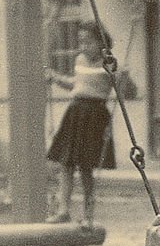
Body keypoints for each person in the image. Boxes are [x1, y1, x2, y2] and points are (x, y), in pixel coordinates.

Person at [46, 21, 115, 228]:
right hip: (75, 113)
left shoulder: (109, 62)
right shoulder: (80, 60)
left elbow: (124, 89)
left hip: (94, 115)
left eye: (89, 41)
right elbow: (76, 85)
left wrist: (122, 77)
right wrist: (56, 78)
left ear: (101, 42)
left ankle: (88, 215)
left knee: (86, 168)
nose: (83, 46)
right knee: (65, 164)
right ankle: (63, 210)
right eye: (81, 41)